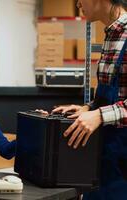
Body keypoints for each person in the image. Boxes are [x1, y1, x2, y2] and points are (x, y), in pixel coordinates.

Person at [52, 0, 127, 199]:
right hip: (105, 160)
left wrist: (99, 116)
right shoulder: (113, 33)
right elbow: (115, 95)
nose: (78, 3)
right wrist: (88, 108)